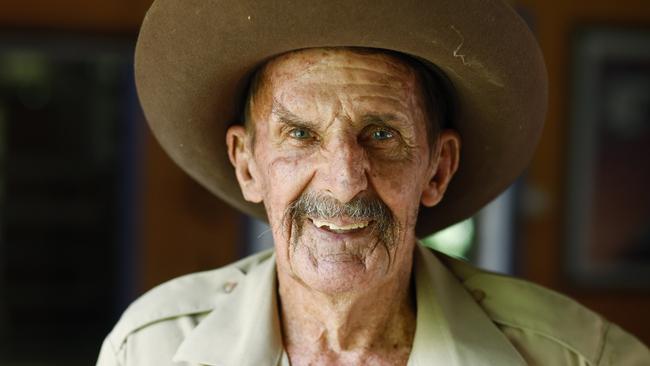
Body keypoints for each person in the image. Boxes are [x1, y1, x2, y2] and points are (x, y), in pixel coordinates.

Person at [97, 0, 649, 365]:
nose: (343, 184)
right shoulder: (151, 347)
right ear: (247, 164)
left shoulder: (575, 355)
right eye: (301, 134)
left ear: (438, 168)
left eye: (382, 134)